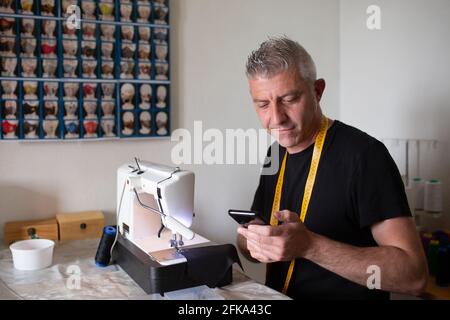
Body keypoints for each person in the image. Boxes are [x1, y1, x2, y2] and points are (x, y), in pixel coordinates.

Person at [237, 37, 428, 300]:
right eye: (263, 104)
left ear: (318, 90)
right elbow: (254, 237)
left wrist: (310, 246)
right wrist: (252, 241)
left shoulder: (365, 156)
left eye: (289, 99)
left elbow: (413, 274)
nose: (276, 118)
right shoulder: (275, 153)